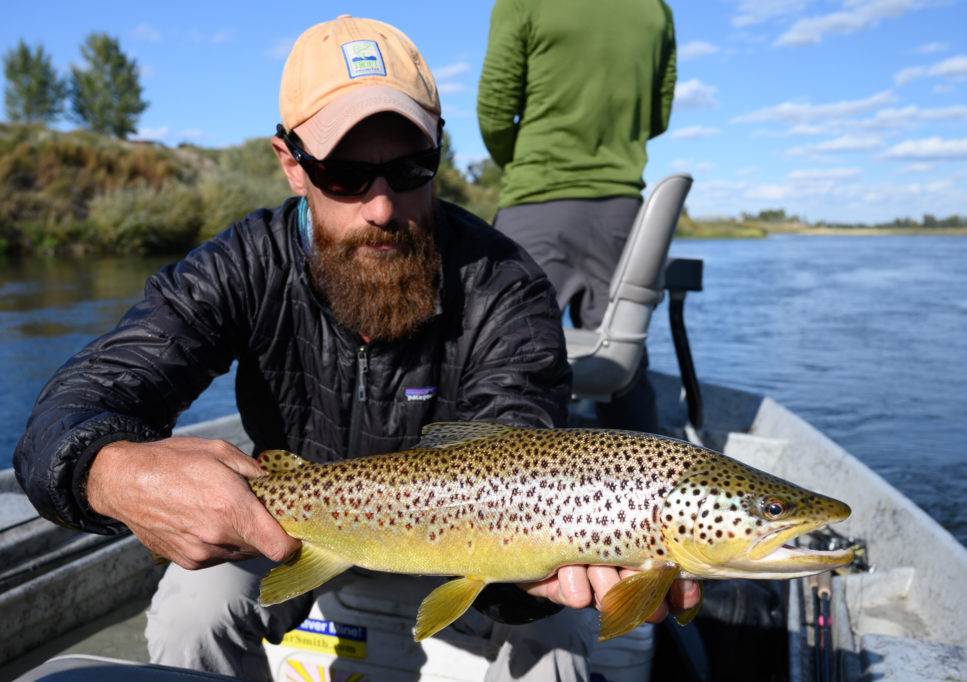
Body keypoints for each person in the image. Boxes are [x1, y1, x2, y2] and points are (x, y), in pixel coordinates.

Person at [14, 15, 698, 682]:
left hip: (470, 542)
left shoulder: (506, 284)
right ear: (291, 163)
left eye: (410, 169)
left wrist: (533, 574)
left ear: (440, 150)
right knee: (195, 608)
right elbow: (76, 404)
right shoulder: (240, 266)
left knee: (563, 628)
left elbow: (520, 436)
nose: (381, 206)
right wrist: (107, 470)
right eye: (344, 173)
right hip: (292, 525)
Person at [477, 0, 677, 432]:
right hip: (622, 214)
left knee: (508, 363)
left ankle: (509, 494)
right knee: (624, 365)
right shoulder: (655, 9)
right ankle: (647, 486)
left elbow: (494, 111)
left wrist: (525, 163)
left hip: (535, 202)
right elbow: (659, 115)